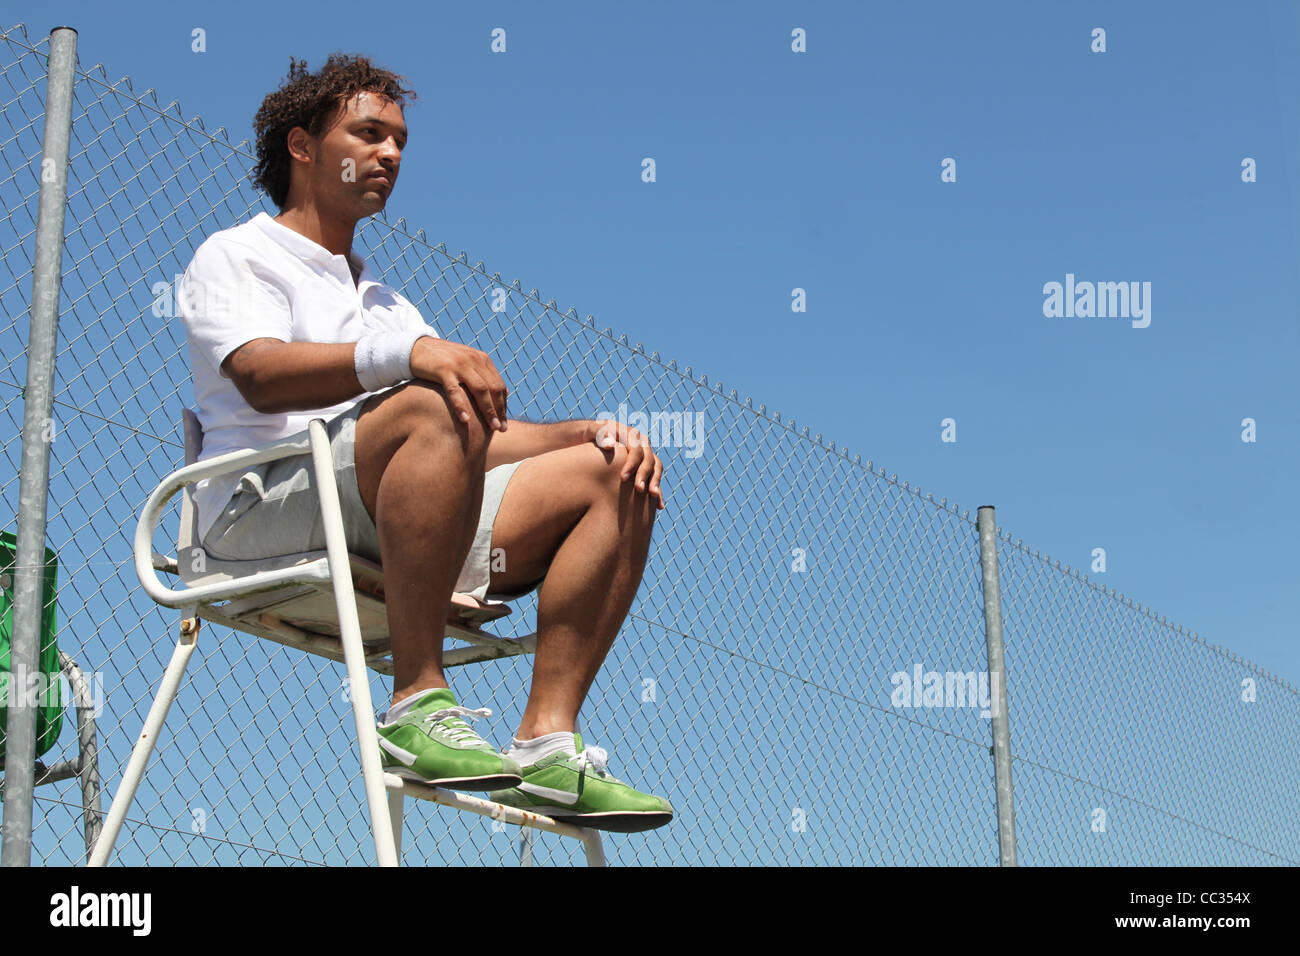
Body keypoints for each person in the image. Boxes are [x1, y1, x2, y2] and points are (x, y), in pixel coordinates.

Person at [176, 53, 672, 832]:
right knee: (432, 400)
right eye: (369, 134)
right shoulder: (234, 253)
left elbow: (478, 433)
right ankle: (415, 705)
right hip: (257, 511)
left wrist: (589, 432)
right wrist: (409, 358)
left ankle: (546, 744)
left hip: (384, 510)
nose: (391, 155)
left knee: (614, 473)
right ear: (302, 147)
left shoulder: (385, 301)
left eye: (400, 141)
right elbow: (262, 376)